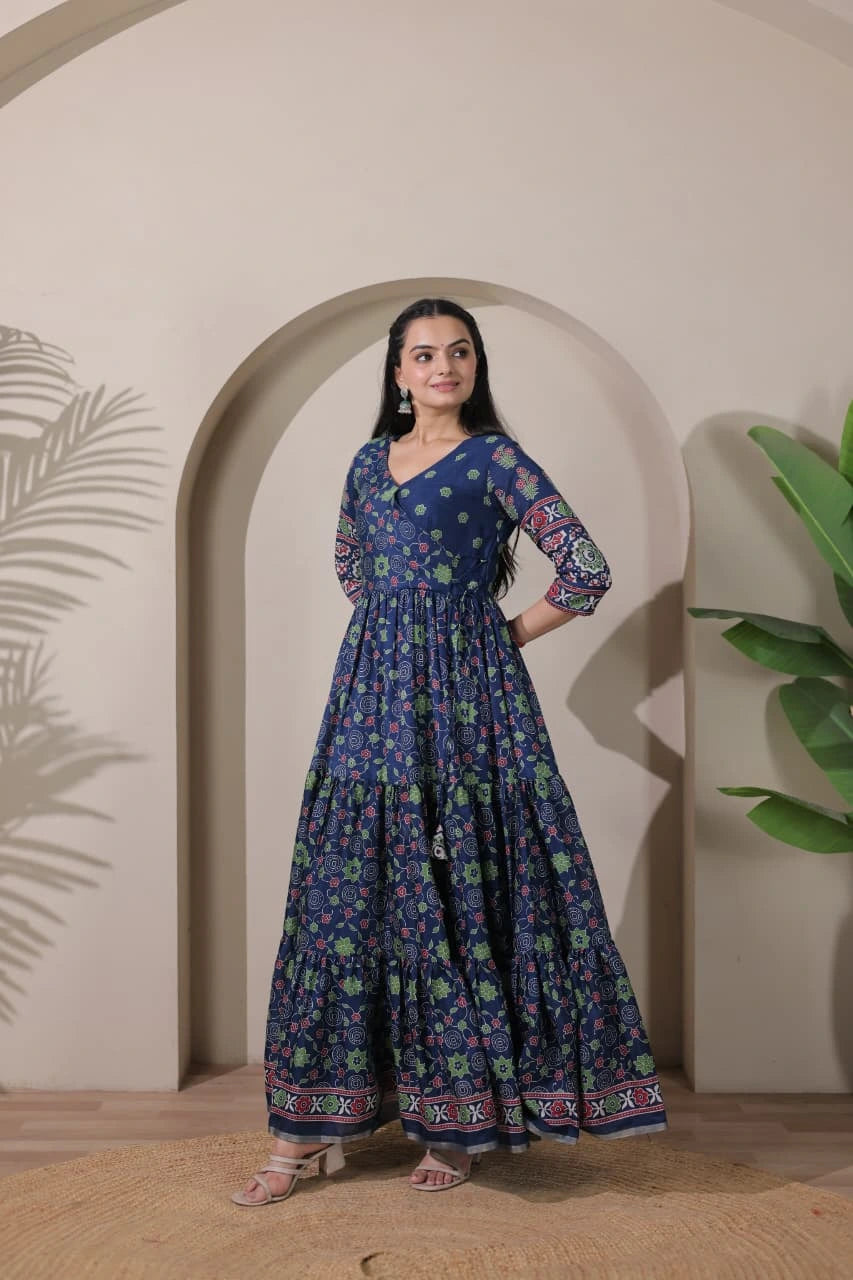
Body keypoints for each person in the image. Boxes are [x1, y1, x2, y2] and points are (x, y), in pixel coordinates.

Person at [232, 297, 668, 1205]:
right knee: (349, 885)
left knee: (460, 883)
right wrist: (398, 634)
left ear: (474, 368)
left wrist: (488, 636)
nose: (442, 367)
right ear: (396, 372)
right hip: (372, 694)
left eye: (458, 352)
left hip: (471, 701)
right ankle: (305, 1132)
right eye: (423, 354)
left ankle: (457, 1123)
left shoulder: (495, 458)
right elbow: (354, 564)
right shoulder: (365, 461)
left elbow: (583, 570)